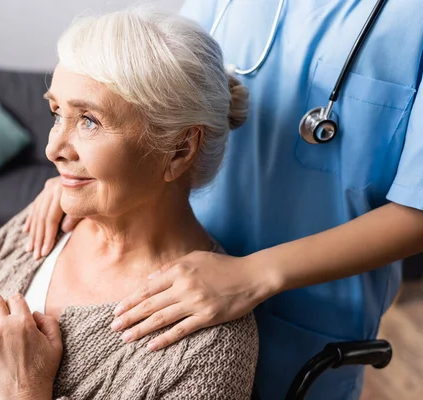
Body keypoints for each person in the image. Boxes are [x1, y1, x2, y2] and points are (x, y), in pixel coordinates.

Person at [23, 0, 423, 399]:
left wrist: (255, 274)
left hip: (308, 325)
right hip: (172, 278)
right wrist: (92, 182)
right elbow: (155, 106)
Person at [0, 7, 258, 400]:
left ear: (178, 149)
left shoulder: (210, 347)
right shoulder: (51, 219)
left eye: (89, 120)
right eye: (57, 113)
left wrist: (19, 390)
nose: (52, 149)